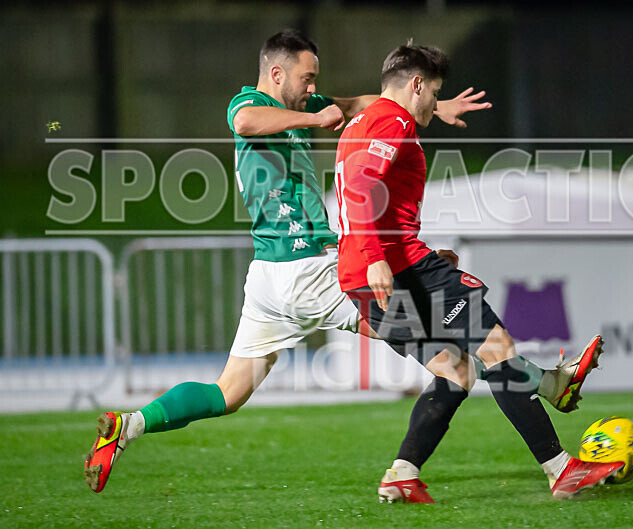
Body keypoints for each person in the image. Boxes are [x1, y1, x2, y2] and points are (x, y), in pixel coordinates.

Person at [83, 29, 493, 493]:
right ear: (276, 73)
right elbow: (246, 123)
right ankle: (537, 397)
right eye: (307, 78)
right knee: (451, 353)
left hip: (269, 281)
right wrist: (314, 119)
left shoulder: (299, 111)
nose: (314, 88)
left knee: (228, 392)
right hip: (311, 271)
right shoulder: (249, 105)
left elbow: (365, 102)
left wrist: (435, 106)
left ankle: (130, 426)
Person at [334, 41, 622, 502]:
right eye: (433, 92)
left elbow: (362, 187)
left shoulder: (360, 123)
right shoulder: (395, 120)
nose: (434, 102)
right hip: (393, 266)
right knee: (496, 348)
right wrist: (379, 256)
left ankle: (402, 474)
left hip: (361, 276)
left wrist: (384, 255)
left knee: (455, 371)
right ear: (416, 85)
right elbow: (363, 185)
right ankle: (560, 465)